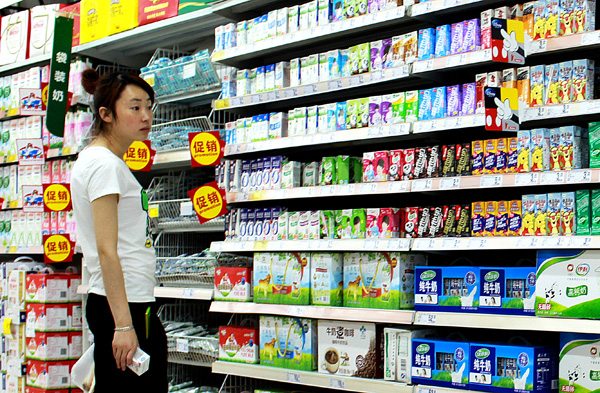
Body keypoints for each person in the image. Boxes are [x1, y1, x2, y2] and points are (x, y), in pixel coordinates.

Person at [71, 69, 167, 392]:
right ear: (106, 114)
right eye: (135, 107)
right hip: (124, 307)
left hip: (121, 303)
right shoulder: (104, 165)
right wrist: (124, 324)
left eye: (149, 107)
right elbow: (106, 249)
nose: (146, 116)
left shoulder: (101, 160)